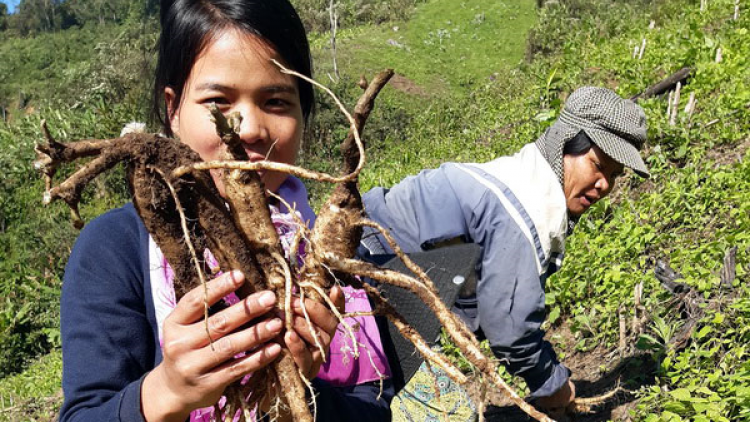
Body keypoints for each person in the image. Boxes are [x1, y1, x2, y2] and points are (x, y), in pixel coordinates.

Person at [58, 1, 394, 421]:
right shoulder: (112, 249)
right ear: (172, 109)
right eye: (218, 101)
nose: (249, 128)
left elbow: (374, 407)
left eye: (276, 101)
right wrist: (166, 391)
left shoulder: (325, 242)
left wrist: (302, 389)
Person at [359, 86, 650, 418]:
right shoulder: (530, 206)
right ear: (566, 143)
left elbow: (491, 297)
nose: (604, 185)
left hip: (377, 254)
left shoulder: (523, 171)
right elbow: (510, 329)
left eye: (614, 175)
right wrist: (552, 383)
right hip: (375, 269)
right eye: (598, 166)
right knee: (448, 413)